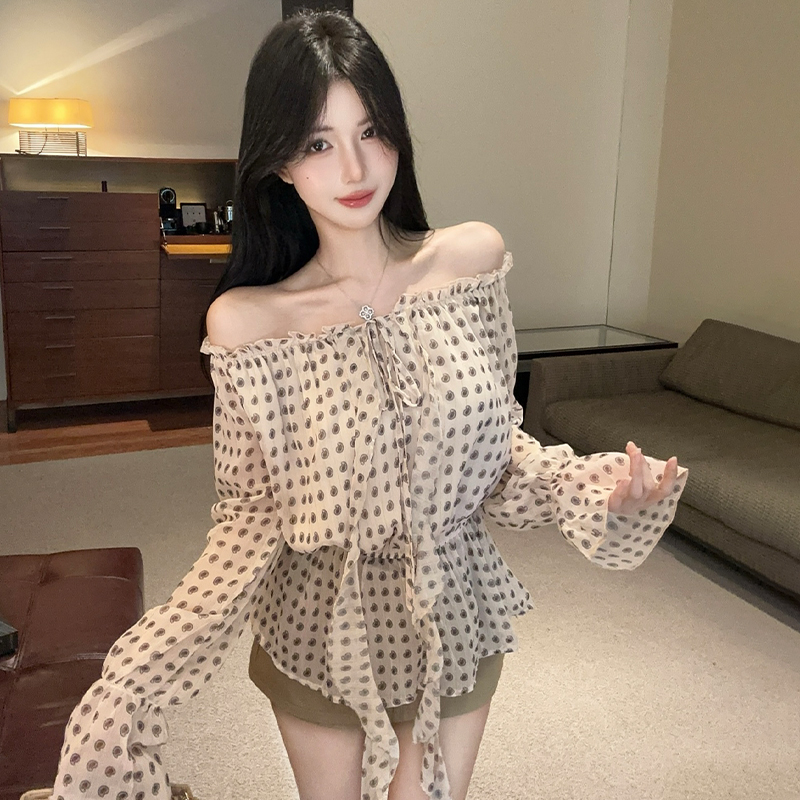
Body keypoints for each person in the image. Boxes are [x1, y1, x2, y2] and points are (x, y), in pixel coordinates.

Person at [50, 10, 688, 800]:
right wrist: (139, 671)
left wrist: (593, 490)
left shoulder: (470, 262)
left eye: (372, 130)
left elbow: (498, 450)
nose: (353, 166)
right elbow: (249, 514)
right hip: (318, 625)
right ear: (280, 162)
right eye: (318, 143)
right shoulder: (248, 324)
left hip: (453, 611)